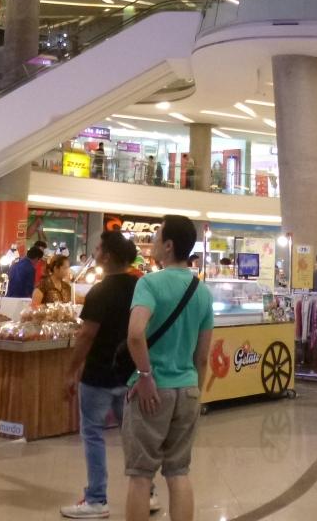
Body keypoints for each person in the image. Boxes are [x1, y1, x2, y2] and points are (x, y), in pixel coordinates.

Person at [61, 231, 160, 519]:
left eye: (98, 248)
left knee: (93, 434)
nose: (95, 252)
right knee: (132, 435)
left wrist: (70, 371)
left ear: (107, 255)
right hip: (130, 374)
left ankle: (96, 499)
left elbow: (86, 335)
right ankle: (148, 493)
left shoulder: (100, 292)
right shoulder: (141, 286)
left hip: (98, 374)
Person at [122, 215, 214, 521]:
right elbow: (203, 356)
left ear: (169, 245)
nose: (153, 241)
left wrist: (145, 375)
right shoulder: (202, 291)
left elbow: (135, 334)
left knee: (140, 474)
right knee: (178, 471)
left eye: (157, 235)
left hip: (153, 391)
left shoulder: (149, 283)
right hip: (187, 388)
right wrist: (196, 391)